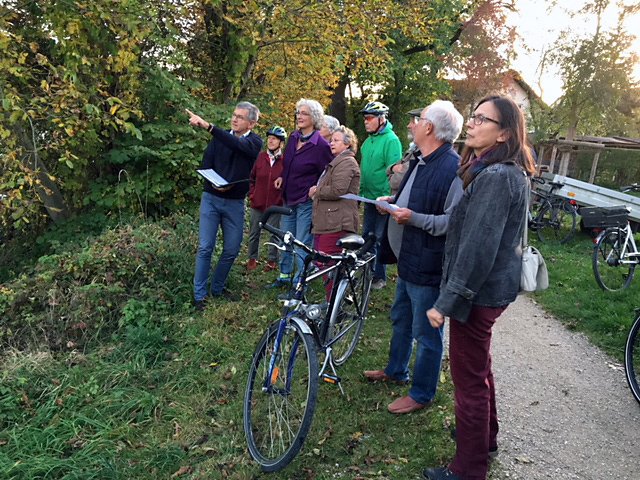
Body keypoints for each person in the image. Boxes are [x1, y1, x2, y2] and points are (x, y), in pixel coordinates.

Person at [422, 96, 535, 480]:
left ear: (503, 133)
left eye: (482, 119)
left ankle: (467, 469)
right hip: (485, 292)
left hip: (477, 295)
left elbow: (477, 249)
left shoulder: (498, 177)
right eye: (473, 116)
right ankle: (484, 437)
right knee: (480, 367)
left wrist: (446, 302)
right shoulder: (499, 171)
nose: (471, 124)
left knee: (468, 380)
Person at [363, 100, 464, 415]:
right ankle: (396, 370)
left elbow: (452, 223)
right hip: (408, 257)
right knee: (401, 319)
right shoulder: (420, 159)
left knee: (426, 333)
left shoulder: (453, 169)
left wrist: (413, 218)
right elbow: (411, 197)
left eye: (417, 120)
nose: (411, 124)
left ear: (430, 127)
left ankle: (422, 392)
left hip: (429, 264)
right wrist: (391, 202)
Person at [187, 102, 262, 309]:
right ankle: (199, 296)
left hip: (235, 203)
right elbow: (205, 165)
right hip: (211, 198)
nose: (235, 119)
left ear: (252, 123)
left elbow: (237, 145)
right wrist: (213, 184)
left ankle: (217, 289)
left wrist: (209, 127)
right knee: (205, 247)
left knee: (232, 248)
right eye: (234, 115)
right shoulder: (218, 139)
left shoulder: (254, 142)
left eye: (240, 117)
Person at [270, 99, 333, 287]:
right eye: (298, 112)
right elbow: (288, 162)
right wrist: (282, 176)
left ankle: (300, 282)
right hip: (288, 197)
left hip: (305, 200)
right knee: (286, 238)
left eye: (304, 113)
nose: (299, 116)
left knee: (301, 241)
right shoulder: (294, 137)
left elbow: (327, 172)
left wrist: (317, 190)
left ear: (314, 118)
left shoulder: (320, 145)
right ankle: (284, 276)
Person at [309, 126, 360, 296]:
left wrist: (317, 191)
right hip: (329, 221)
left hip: (337, 222)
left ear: (347, 144)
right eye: (332, 140)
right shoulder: (337, 162)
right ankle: (334, 304)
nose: (332, 143)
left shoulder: (347, 163)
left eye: (336, 140)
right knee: (327, 265)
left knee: (330, 267)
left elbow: (339, 190)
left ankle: (334, 308)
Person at [358, 101, 402, 290]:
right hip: (368, 197)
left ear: (381, 119)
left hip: (382, 199)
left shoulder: (392, 140)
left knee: (379, 238)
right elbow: (364, 170)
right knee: (367, 236)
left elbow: (393, 172)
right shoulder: (367, 142)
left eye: (369, 118)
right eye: (365, 118)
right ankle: (366, 272)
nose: (366, 122)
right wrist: (360, 195)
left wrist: (386, 199)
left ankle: (379, 277)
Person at [247, 126, 286, 272]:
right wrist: (253, 194)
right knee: (254, 233)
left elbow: (287, 181)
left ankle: (272, 261)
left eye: (274, 138)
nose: (270, 141)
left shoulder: (285, 161)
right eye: (269, 138)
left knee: (274, 234)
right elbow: (251, 179)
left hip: (276, 204)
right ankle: (252, 258)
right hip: (258, 202)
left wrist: (281, 197)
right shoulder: (261, 157)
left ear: (281, 143)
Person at [387, 108, 422, 196]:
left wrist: (391, 173)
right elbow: (388, 169)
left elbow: (395, 182)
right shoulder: (413, 149)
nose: (408, 126)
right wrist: (392, 168)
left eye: (412, 122)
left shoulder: (422, 152)